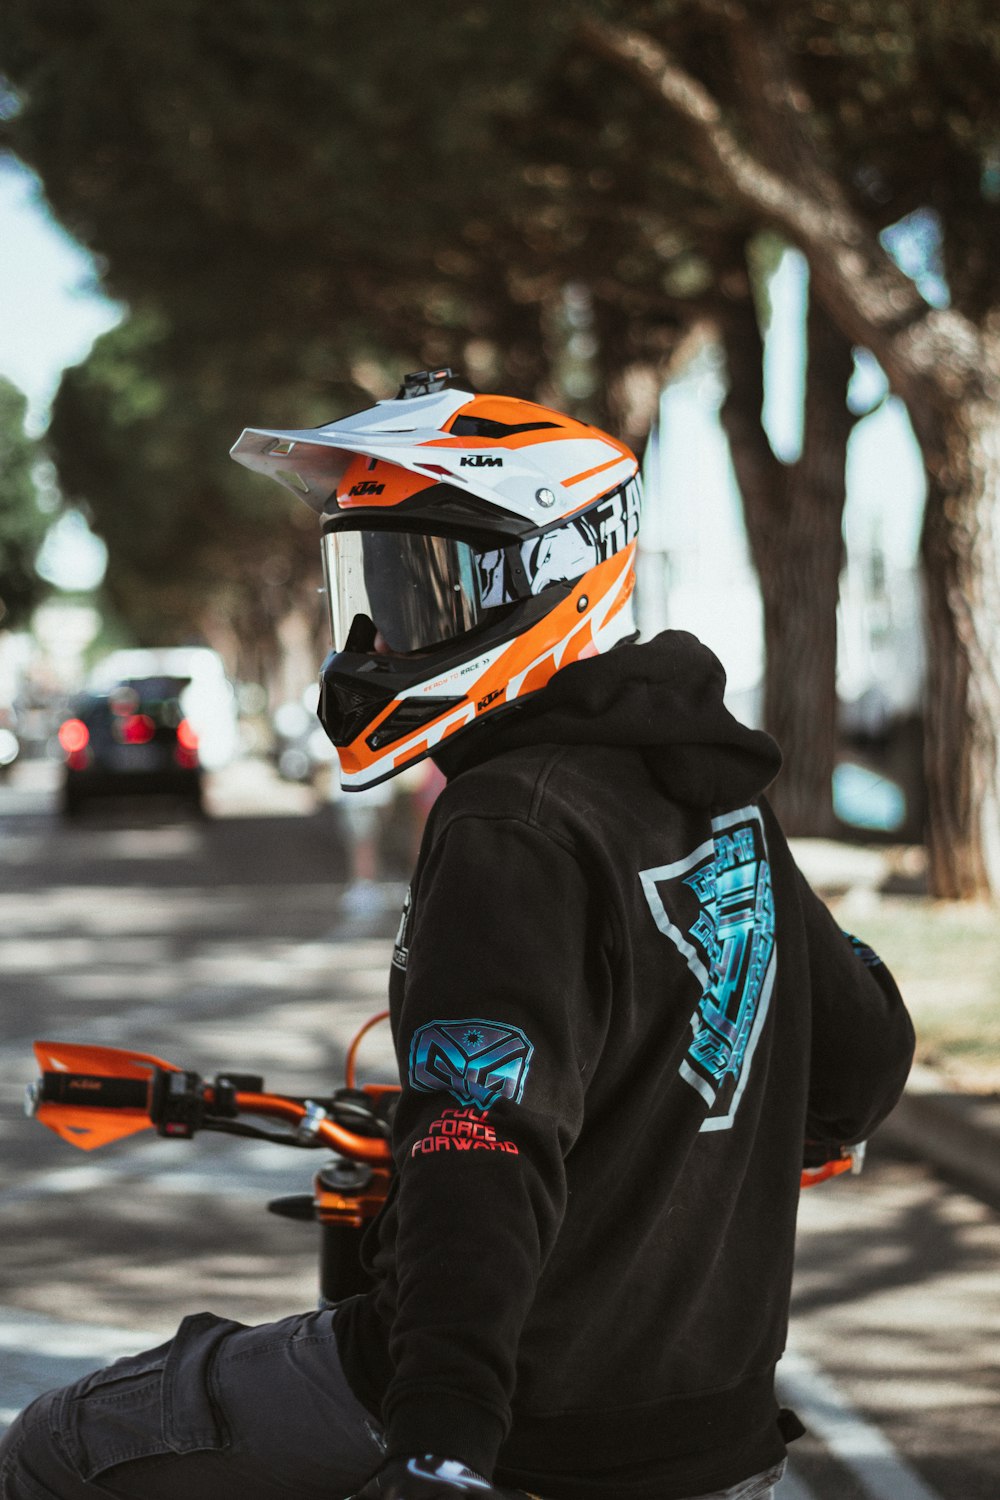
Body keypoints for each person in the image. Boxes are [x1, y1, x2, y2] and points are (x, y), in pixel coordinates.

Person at [0, 370, 915, 1500]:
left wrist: (442, 1447)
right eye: (373, 587)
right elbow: (861, 1059)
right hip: (714, 1443)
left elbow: (481, 1151)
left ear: (548, 577)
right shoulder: (717, 789)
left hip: (517, 1425)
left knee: (57, 1446)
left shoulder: (508, 818)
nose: (383, 633)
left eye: (427, 588)